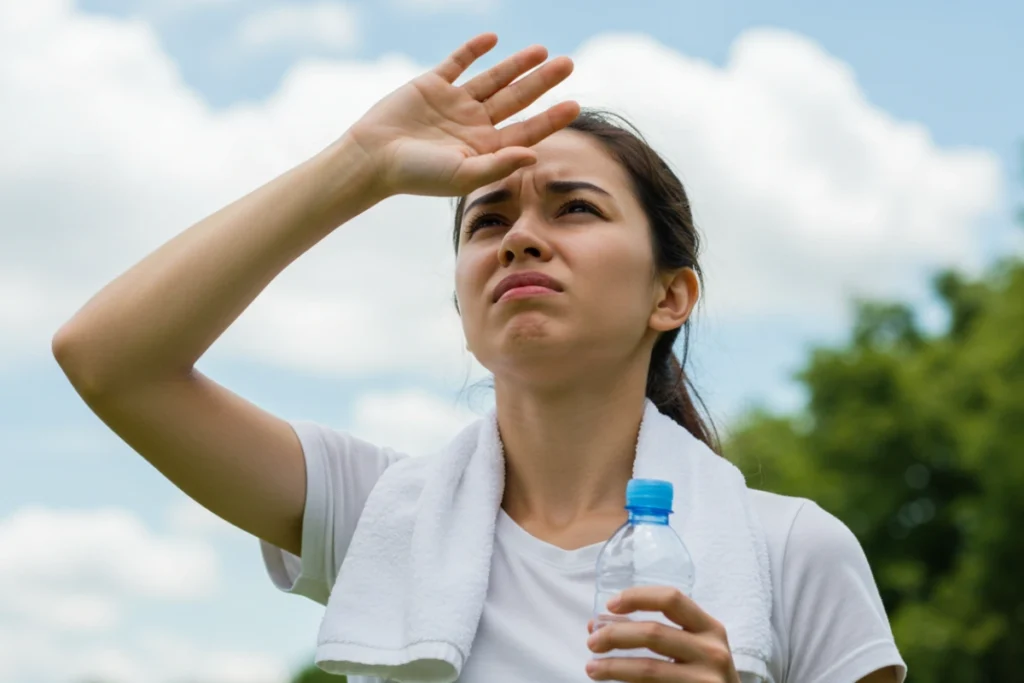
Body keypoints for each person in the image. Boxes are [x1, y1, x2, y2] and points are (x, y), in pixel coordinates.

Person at [52, 33, 905, 683]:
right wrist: (360, 165)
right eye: (487, 221)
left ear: (670, 296)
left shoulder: (794, 550)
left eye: (574, 208)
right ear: (462, 301)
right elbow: (107, 358)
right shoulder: (382, 515)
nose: (521, 238)